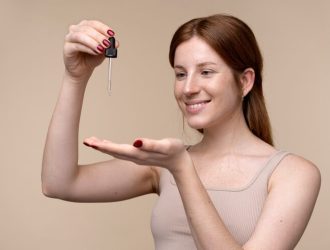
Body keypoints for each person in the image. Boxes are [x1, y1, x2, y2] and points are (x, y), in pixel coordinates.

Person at [42, 14, 321, 249]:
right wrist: (75, 77)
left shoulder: (293, 174)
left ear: (245, 81)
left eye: (206, 72)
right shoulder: (162, 167)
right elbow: (59, 183)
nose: (188, 89)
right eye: (180, 73)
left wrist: (183, 170)